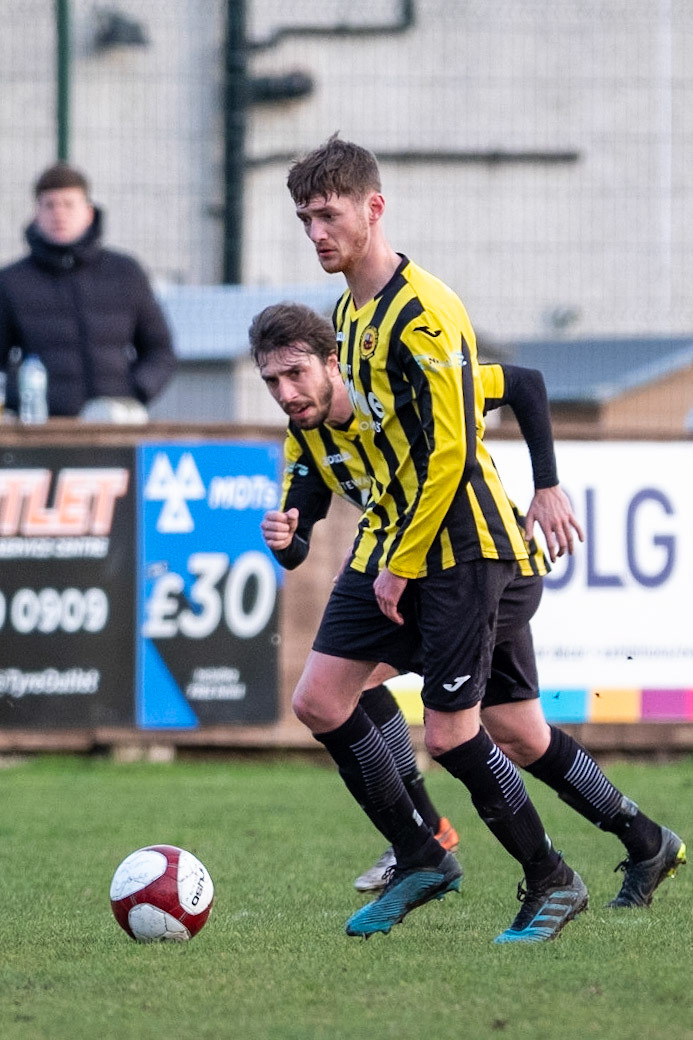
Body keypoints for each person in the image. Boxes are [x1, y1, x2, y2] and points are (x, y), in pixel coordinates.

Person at [282, 136, 685, 943]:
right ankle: (634, 842)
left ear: (374, 207)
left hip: (461, 550)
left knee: (453, 733)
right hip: (401, 544)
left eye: (328, 214)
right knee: (334, 699)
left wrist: (534, 487)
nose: (317, 232)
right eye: (304, 219)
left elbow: (449, 449)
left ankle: (547, 878)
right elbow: (409, 429)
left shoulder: (423, 311)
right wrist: (309, 506)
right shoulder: (346, 315)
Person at [0, 161, 175, 417]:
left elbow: (160, 350)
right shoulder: (12, 281)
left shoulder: (125, 272)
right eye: (49, 205)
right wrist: (23, 398)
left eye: (68, 204)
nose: (59, 213)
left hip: (116, 425)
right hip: (42, 428)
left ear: (89, 212)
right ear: (36, 213)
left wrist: (134, 393)